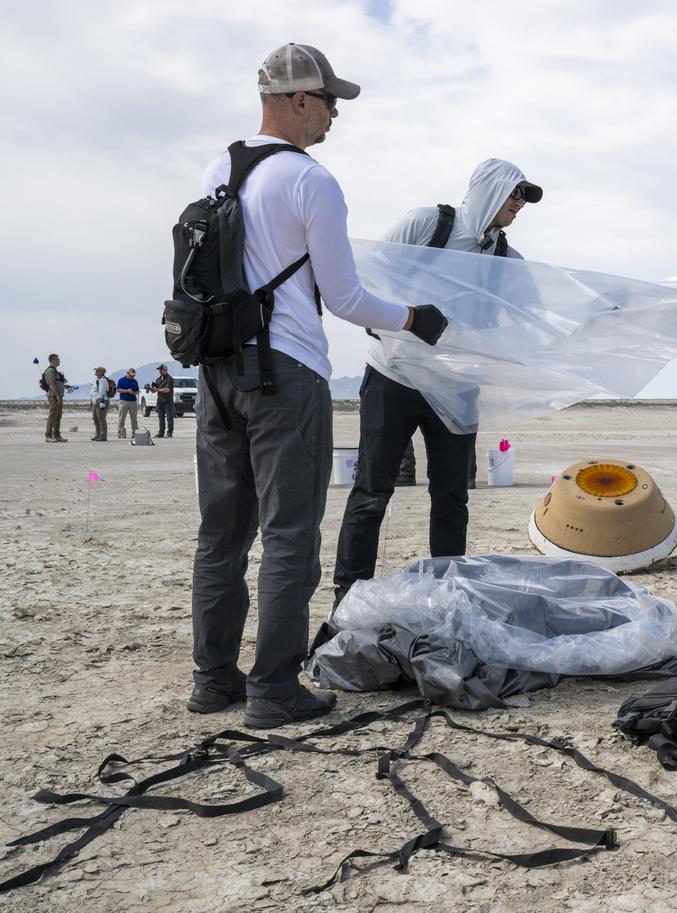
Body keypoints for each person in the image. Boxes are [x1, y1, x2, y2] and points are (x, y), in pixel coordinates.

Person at [187, 43, 447, 730]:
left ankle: (213, 678)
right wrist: (415, 319)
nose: (335, 115)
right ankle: (274, 686)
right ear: (300, 100)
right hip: (284, 372)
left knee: (221, 535)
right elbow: (345, 297)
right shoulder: (311, 180)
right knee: (291, 536)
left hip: (214, 373)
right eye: (332, 101)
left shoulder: (220, 167)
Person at [331, 159, 542, 609]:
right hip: (394, 377)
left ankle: (449, 595)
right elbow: (367, 275)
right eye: (516, 194)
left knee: (451, 496)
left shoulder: (506, 262)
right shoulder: (428, 224)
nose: (521, 205)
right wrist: (388, 329)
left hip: (457, 388)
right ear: (490, 189)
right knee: (372, 491)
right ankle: (348, 598)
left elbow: (540, 316)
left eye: (525, 197)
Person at [43, 354, 67, 443]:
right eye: (57, 359)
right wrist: (57, 395)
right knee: (53, 415)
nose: (59, 361)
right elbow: (51, 383)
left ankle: (57, 435)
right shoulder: (50, 370)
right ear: (52, 360)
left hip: (58, 396)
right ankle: (48, 436)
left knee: (58, 416)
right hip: (53, 396)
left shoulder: (55, 371)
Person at [151, 364, 175, 437]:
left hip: (168, 401)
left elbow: (167, 390)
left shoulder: (169, 378)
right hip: (160, 401)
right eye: (159, 370)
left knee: (169, 418)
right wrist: (150, 388)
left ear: (165, 370)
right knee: (161, 418)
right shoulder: (158, 379)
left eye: (161, 369)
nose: (160, 371)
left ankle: (169, 432)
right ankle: (161, 433)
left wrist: (157, 389)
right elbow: (154, 391)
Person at [116, 368, 140, 438]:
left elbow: (137, 390)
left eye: (133, 376)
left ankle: (135, 433)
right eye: (131, 375)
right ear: (127, 373)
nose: (132, 377)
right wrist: (127, 391)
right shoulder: (121, 380)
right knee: (122, 418)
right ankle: (121, 432)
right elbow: (118, 389)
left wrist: (135, 392)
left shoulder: (135, 381)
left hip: (133, 401)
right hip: (124, 401)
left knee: (134, 418)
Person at [90, 367, 110, 441]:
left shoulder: (103, 380)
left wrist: (97, 400)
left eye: (97, 371)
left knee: (101, 419)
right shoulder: (96, 380)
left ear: (101, 372)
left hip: (101, 401)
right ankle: (97, 434)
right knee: (95, 418)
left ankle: (103, 436)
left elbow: (101, 392)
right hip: (95, 402)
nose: (95, 372)